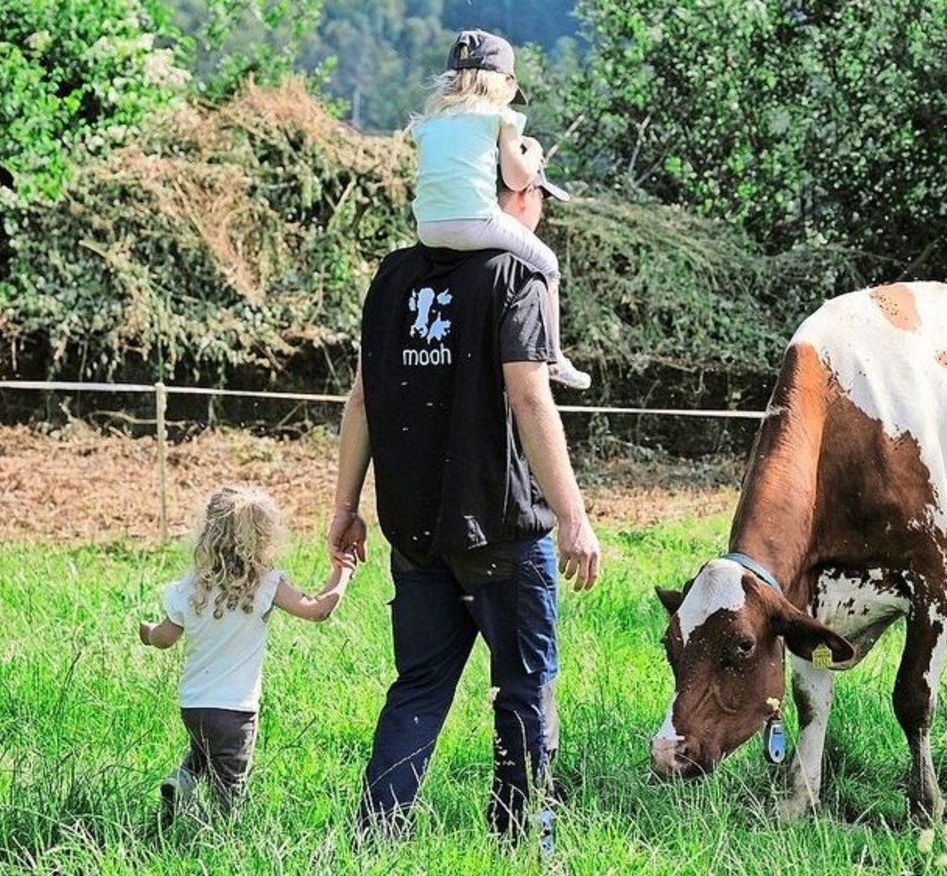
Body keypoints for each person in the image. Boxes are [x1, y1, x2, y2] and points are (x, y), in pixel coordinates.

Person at [327, 163, 601, 844]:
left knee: (418, 688)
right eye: (536, 194)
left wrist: (345, 505)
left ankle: (375, 841)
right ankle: (521, 845)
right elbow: (531, 396)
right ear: (514, 193)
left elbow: (361, 397)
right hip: (505, 532)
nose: (538, 209)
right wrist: (572, 516)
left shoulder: (392, 278)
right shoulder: (517, 275)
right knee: (525, 691)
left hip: (416, 533)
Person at [138, 484, 354, 816]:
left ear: (208, 532)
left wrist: (148, 632)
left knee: (205, 750)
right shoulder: (266, 584)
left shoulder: (191, 588)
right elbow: (317, 609)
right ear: (264, 537)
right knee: (231, 787)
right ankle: (225, 834)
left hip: (193, 706)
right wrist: (343, 573)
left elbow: (164, 638)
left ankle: (183, 779)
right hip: (236, 712)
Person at [408, 28, 592, 391]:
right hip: (476, 221)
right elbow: (517, 177)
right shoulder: (500, 118)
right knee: (548, 266)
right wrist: (534, 150)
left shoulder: (430, 123)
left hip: (427, 228)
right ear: (505, 82)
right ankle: (553, 356)